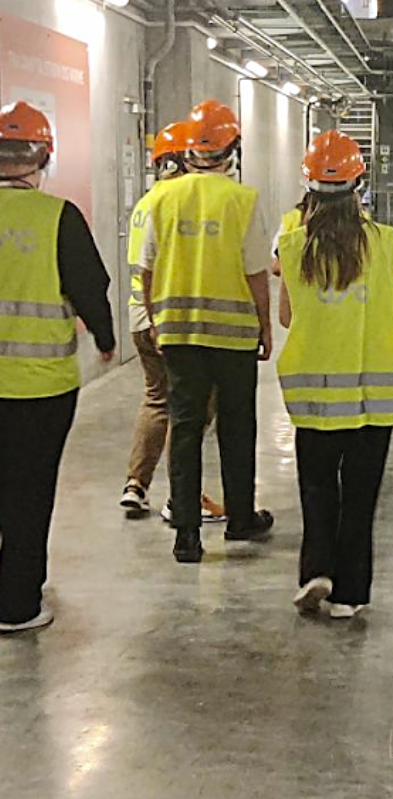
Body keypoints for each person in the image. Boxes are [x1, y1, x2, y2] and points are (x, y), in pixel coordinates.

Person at [276, 131, 393, 619]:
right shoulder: (389, 242)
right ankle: (350, 594)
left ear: (308, 186)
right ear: (360, 184)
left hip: (315, 393)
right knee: (360, 494)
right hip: (377, 392)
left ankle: (316, 572)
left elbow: (288, 316)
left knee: (316, 488)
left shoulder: (292, 247)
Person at [140, 99, 274, 564]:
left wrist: (157, 322)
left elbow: (148, 268)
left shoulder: (162, 197)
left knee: (186, 429)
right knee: (237, 427)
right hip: (233, 335)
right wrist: (264, 324)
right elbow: (257, 270)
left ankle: (187, 536)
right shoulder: (243, 200)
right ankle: (240, 519)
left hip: (178, 334)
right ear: (232, 148)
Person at [0, 101, 115, 632]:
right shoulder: (58, 216)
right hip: (41, 388)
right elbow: (89, 287)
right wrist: (107, 339)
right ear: (43, 157)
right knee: (29, 488)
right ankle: (18, 602)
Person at [119, 121, 225, 523]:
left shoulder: (148, 201)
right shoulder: (183, 202)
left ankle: (136, 486)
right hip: (173, 320)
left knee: (156, 400)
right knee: (193, 410)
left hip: (139, 317)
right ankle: (183, 497)